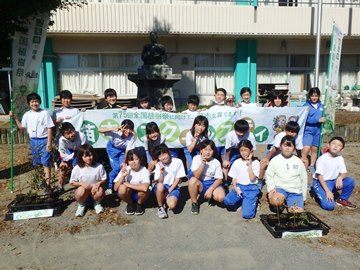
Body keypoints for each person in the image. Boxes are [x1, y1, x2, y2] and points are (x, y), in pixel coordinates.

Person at [11, 93, 54, 193]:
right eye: (32, 102)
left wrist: (49, 142)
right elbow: (22, 127)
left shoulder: (44, 113)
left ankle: (48, 184)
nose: (35, 103)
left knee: (46, 162)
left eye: (36, 101)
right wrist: (15, 117)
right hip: (33, 141)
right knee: (37, 162)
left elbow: (49, 128)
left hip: (43, 140)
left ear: (39, 102)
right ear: (29, 103)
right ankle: (41, 180)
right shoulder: (27, 114)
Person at [311, 136, 357, 210]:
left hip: (332, 181)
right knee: (329, 206)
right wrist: (328, 191)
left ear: (342, 149)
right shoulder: (322, 159)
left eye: (339, 145)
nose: (335, 146)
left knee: (350, 181)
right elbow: (319, 176)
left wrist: (340, 177)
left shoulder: (340, 158)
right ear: (328, 145)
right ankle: (317, 194)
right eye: (334, 144)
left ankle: (341, 199)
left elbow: (344, 172)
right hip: (321, 182)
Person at [266, 136, 308, 213]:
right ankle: (282, 201)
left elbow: (304, 179)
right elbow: (269, 176)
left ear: (294, 148)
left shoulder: (298, 161)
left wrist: (303, 197)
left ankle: (291, 202)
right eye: (285, 145)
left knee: (296, 213)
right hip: (280, 189)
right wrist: (271, 189)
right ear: (280, 146)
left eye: (290, 146)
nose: (287, 148)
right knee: (275, 202)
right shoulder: (275, 160)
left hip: (295, 191)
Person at [224, 140, 260, 219]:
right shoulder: (237, 162)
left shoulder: (256, 162)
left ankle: (253, 201)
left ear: (251, 151)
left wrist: (250, 164)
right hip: (240, 187)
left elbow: (252, 178)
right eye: (241, 150)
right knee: (227, 201)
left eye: (245, 150)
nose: (243, 153)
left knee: (247, 215)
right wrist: (236, 188)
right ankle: (242, 201)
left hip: (251, 188)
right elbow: (234, 178)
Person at [98, 119, 135, 194]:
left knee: (123, 167)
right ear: (122, 127)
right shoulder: (116, 132)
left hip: (123, 151)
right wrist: (113, 128)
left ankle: (120, 185)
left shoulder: (132, 136)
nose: (128, 131)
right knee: (116, 168)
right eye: (126, 128)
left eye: (130, 129)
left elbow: (127, 151)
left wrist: (124, 162)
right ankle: (110, 186)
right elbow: (99, 130)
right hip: (112, 149)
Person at [188, 139, 225, 215]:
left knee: (221, 198)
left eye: (210, 150)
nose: (208, 152)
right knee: (192, 180)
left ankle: (211, 196)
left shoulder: (216, 162)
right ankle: (194, 203)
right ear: (201, 150)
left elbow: (219, 179)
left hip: (212, 182)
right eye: (205, 149)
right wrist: (202, 164)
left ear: (213, 151)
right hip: (200, 182)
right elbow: (196, 176)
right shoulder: (196, 158)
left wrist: (211, 189)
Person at [70, 144, 107, 217]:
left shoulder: (99, 166)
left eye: (90, 155)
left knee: (100, 191)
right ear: (81, 157)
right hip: (84, 191)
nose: (89, 158)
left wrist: (98, 183)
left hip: (94, 191)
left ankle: (97, 203)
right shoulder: (77, 168)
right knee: (80, 191)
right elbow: (72, 182)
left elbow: (104, 179)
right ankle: (81, 205)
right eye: (85, 156)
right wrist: (81, 184)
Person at [153, 144, 186, 219]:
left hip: (173, 187)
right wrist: (161, 172)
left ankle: (164, 199)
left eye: (164, 154)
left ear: (169, 152)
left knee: (172, 205)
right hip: (161, 187)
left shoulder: (178, 161)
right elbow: (159, 181)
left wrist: (169, 191)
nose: (163, 157)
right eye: (160, 156)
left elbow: (178, 179)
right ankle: (160, 207)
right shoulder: (159, 165)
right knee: (160, 186)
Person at [113, 149, 150, 216]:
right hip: (129, 194)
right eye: (131, 160)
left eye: (136, 159)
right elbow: (115, 188)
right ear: (128, 162)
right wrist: (122, 177)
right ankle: (130, 204)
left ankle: (139, 204)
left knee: (146, 191)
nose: (134, 162)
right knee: (121, 188)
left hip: (140, 194)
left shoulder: (144, 170)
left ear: (140, 160)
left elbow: (145, 188)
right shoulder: (125, 169)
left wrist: (127, 184)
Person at [57, 122, 87, 193]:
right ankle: (60, 186)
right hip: (69, 152)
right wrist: (63, 161)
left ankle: (81, 186)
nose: (71, 135)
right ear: (63, 135)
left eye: (72, 131)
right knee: (63, 167)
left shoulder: (81, 136)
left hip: (80, 151)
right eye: (68, 133)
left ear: (74, 129)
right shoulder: (61, 140)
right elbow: (62, 153)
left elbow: (85, 150)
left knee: (77, 167)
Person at [301, 87, 326, 174]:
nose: (314, 97)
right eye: (312, 96)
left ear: (319, 96)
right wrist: (317, 120)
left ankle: (312, 165)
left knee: (315, 149)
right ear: (309, 96)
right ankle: (302, 164)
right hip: (308, 130)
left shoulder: (323, 106)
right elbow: (305, 119)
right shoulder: (305, 106)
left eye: (316, 95)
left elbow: (327, 118)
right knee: (306, 148)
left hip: (318, 130)